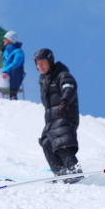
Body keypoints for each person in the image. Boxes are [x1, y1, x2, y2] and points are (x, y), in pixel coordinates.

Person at [35, 48, 82, 183]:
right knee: (46, 143)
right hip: (52, 120)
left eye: (43, 62)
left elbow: (69, 87)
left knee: (61, 142)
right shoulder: (44, 80)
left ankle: (73, 170)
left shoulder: (62, 75)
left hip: (65, 115)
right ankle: (60, 172)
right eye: (38, 64)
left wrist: (65, 101)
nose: (40, 66)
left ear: (50, 61)